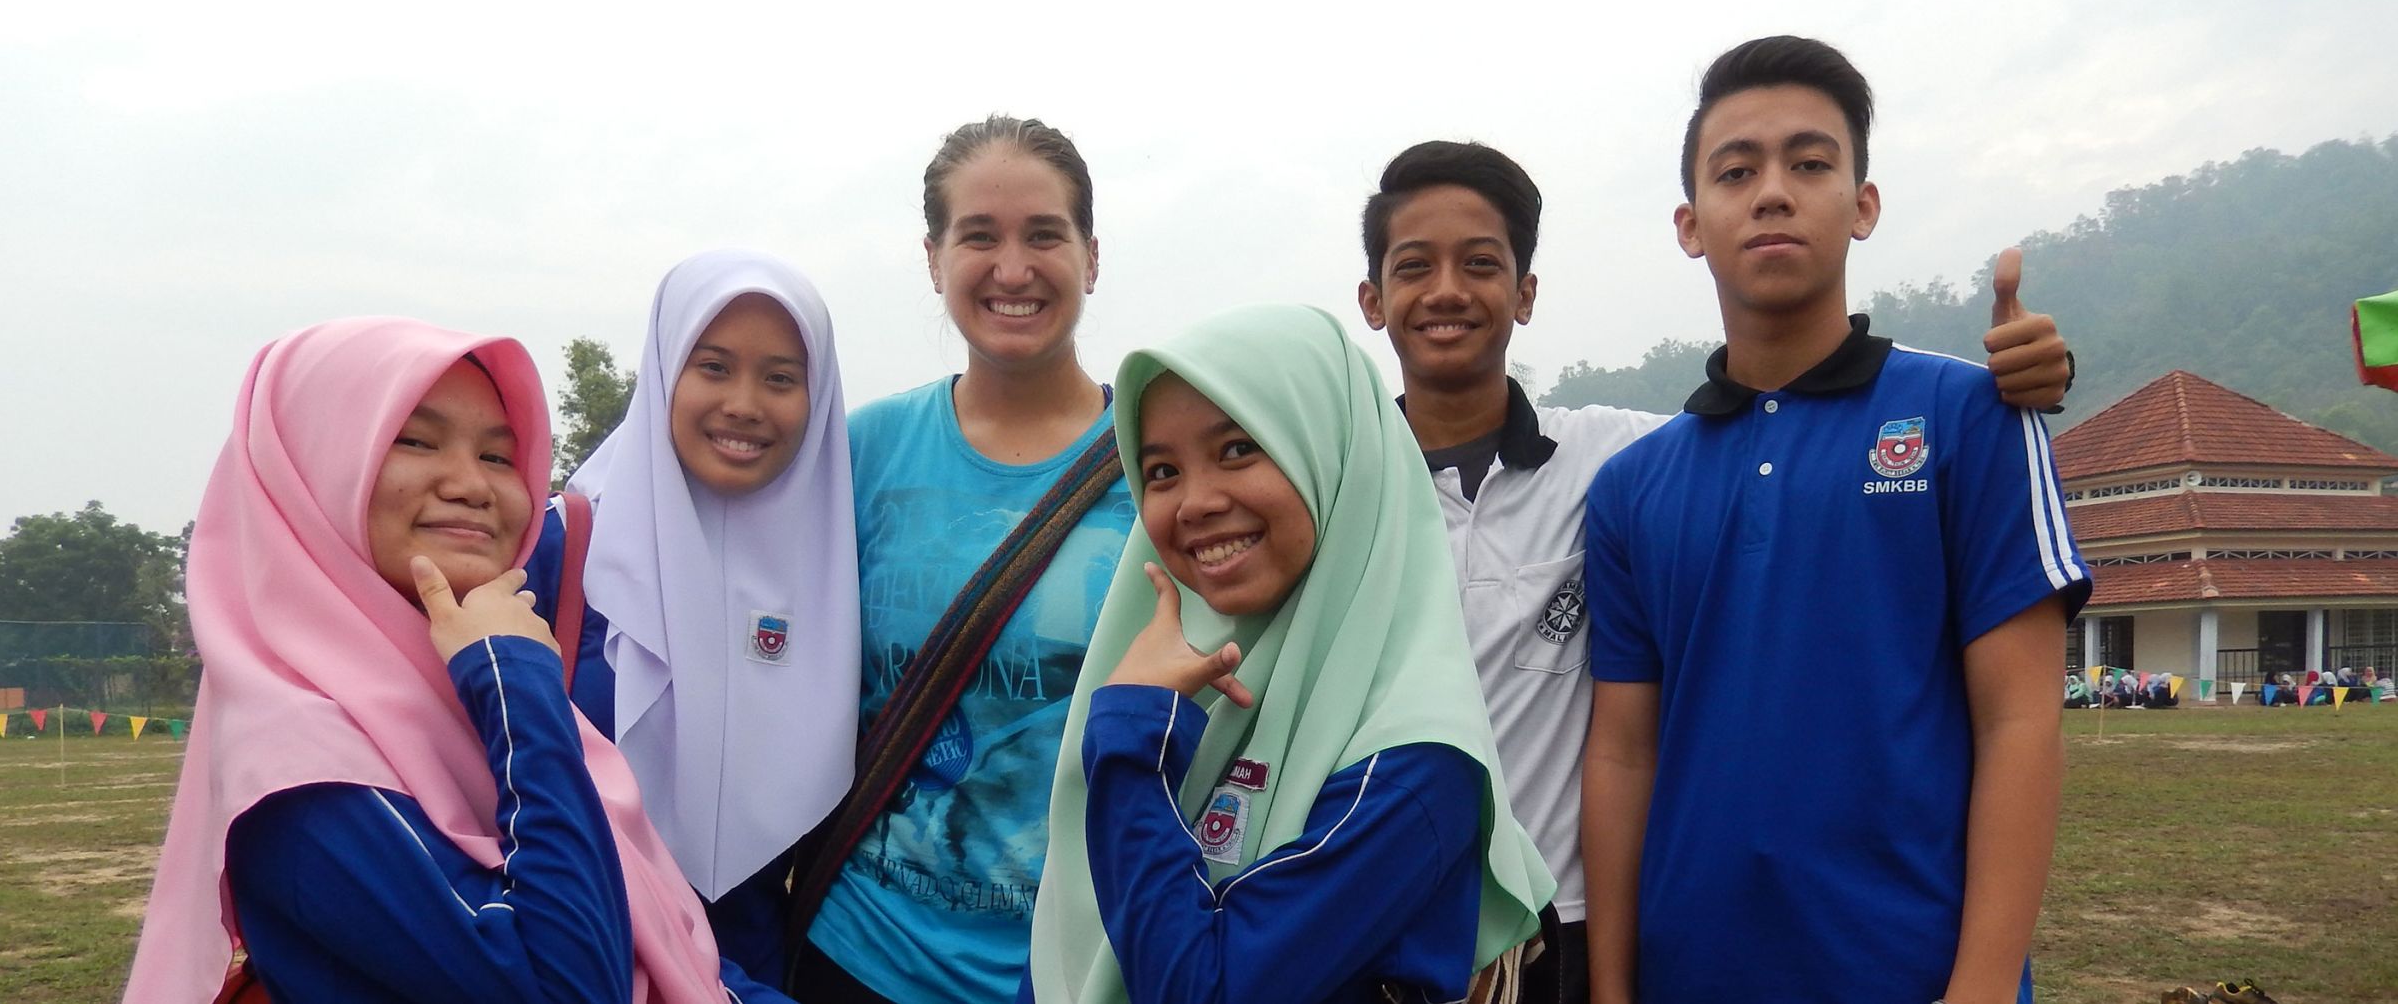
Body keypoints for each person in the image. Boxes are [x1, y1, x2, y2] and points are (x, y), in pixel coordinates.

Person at [1349, 140, 2074, 1001]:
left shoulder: (1612, 457)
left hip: (1559, 922)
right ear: (1372, 299)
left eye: (1480, 264)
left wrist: (2031, 380)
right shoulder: (1336, 493)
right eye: (1414, 266)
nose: (1446, 292)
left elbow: (1783, 424)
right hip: (1380, 918)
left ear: (1526, 293)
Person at [1580, 36, 2091, 1003]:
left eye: (1810, 163)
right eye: (1737, 171)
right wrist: (1613, 988)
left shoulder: (1970, 417)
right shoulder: (1632, 488)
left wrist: (1980, 988)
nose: (1773, 191)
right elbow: (1622, 750)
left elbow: (2021, 718)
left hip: (1909, 969)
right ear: (1691, 224)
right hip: (1692, 970)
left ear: (1863, 205)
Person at [124, 317, 787, 1003]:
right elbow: (572, 987)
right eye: (414, 441)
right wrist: (517, 681)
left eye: (499, 457)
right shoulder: (303, 772)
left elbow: (668, 941)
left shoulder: (445, 691)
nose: (472, 485)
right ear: (310, 471)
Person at [1027, 303, 1556, 1003]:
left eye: (1238, 449)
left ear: (1335, 458)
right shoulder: (1191, 684)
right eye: (1160, 471)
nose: (1195, 502)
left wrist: (1129, 745)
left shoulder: (1414, 766)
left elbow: (1205, 990)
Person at [793, 116, 1136, 1004]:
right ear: (933, 258)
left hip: (1078, 966)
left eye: (1044, 236)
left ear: (1092, 257)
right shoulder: (861, 452)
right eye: (978, 236)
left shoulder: (1158, 467)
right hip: (863, 955)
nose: (1012, 269)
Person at [524, 249, 859, 981]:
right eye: (712, 367)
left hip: (753, 970)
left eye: (780, 378)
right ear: (665, 373)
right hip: (580, 966)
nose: (744, 403)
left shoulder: (843, 578)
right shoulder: (564, 552)